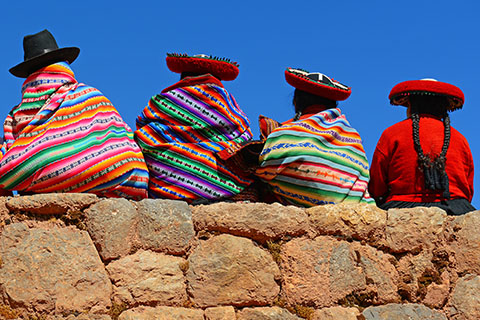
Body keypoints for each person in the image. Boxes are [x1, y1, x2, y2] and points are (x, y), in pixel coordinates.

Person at [0, 29, 149, 199]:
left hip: (47, 183)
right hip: (123, 175)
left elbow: (11, 158)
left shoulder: (18, 113)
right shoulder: (89, 95)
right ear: (63, 66)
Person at [135, 53, 254, 202]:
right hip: (226, 188)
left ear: (183, 78)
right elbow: (245, 136)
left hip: (167, 190)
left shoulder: (164, 102)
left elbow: (142, 125)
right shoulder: (227, 106)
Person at [255, 68, 374, 207]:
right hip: (355, 209)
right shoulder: (353, 137)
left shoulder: (285, 133)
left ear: (296, 101)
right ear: (333, 105)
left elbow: (266, 169)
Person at [369, 78, 475, 215]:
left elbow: (377, 187)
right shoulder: (461, 140)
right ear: (444, 109)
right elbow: (468, 190)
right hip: (456, 210)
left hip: (401, 208)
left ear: (412, 106)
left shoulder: (391, 134)